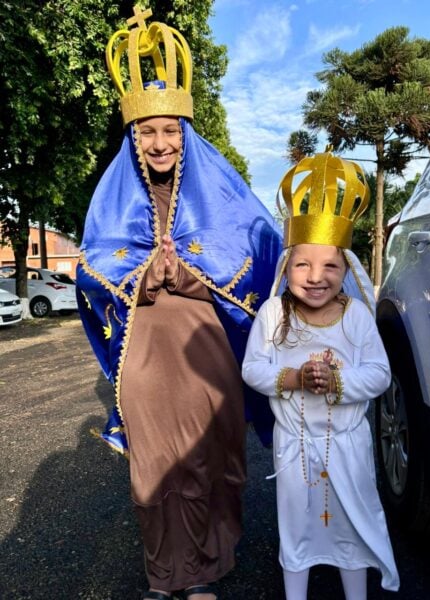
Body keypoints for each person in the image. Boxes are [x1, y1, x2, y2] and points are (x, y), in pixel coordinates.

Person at [75, 6, 284, 600]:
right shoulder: (111, 196)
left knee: (207, 458)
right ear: (133, 136)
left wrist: (192, 270)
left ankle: (205, 571)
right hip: (143, 350)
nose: (160, 142)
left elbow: (261, 243)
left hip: (204, 349)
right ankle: (166, 574)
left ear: (185, 133)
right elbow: (91, 269)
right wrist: (140, 274)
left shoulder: (218, 189)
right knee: (154, 468)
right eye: (148, 132)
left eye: (171, 130)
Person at [242, 151, 400, 600]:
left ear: (347, 270)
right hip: (296, 451)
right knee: (298, 529)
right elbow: (252, 367)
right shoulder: (274, 313)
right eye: (302, 265)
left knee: (350, 530)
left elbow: (380, 374)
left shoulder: (355, 318)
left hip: (348, 448)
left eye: (330, 265)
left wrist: (338, 381)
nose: (315, 277)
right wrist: (291, 377)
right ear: (286, 268)